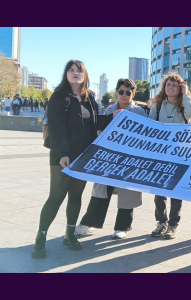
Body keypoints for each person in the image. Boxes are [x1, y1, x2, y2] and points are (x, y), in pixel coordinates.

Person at [32, 60, 105, 258]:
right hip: (62, 155)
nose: (75, 73)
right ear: (66, 74)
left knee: (75, 195)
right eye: (71, 70)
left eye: (78, 70)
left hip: (84, 155)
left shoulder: (89, 97)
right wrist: (63, 153)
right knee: (56, 196)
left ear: (84, 75)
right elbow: (56, 127)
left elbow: (96, 123)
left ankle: (69, 234)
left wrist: (117, 116)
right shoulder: (58, 96)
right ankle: (40, 237)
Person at [75, 79, 147, 240]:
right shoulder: (109, 109)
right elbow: (100, 132)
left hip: (130, 159)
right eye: (121, 91)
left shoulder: (139, 112)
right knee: (100, 192)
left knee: (127, 194)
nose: (124, 95)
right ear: (116, 93)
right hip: (109, 159)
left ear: (133, 94)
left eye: (128, 92)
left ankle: (123, 227)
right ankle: (90, 223)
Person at [147, 72, 191, 239]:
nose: (171, 87)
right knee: (159, 192)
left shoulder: (183, 106)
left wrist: (186, 94)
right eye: (168, 84)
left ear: (180, 88)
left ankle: (173, 225)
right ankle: (161, 222)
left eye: (175, 85)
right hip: (161, 154)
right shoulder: (157, 106)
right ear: (164, 87)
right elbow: (150, 128)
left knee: (176, 192)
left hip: (179, 155)